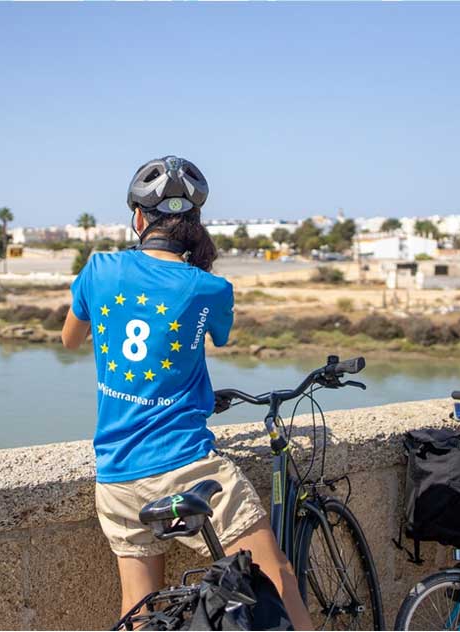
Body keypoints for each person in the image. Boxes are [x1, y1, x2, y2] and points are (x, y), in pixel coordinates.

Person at [61, 155, 314, 629]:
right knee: (277, 577)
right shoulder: (210, 287)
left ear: (138, 218)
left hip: (116, 474)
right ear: (196, 221)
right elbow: (217, 337)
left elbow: (70, 339)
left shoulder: (98, 269)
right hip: (186, 467)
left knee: (140, 609)